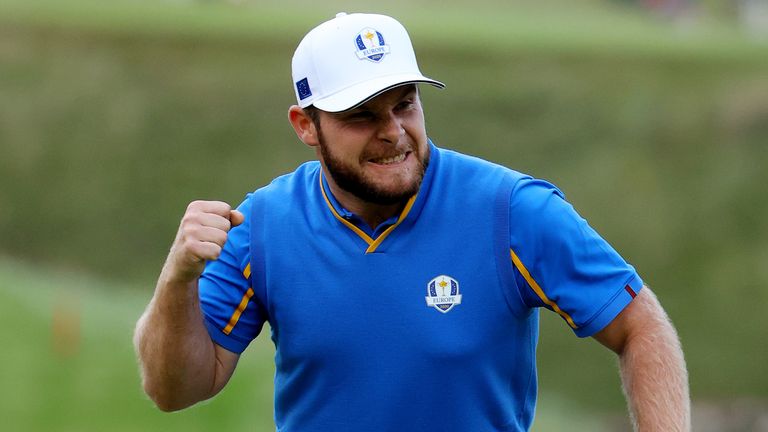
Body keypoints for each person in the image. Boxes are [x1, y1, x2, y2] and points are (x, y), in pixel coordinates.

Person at [133, 12, 690, 431]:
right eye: (362, 116)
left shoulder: (513, 211)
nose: (394, 131)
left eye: (405, 104)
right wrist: (178, 279)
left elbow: (640, 326)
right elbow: (174, 389)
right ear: (306, 125)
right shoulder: (262, 226)